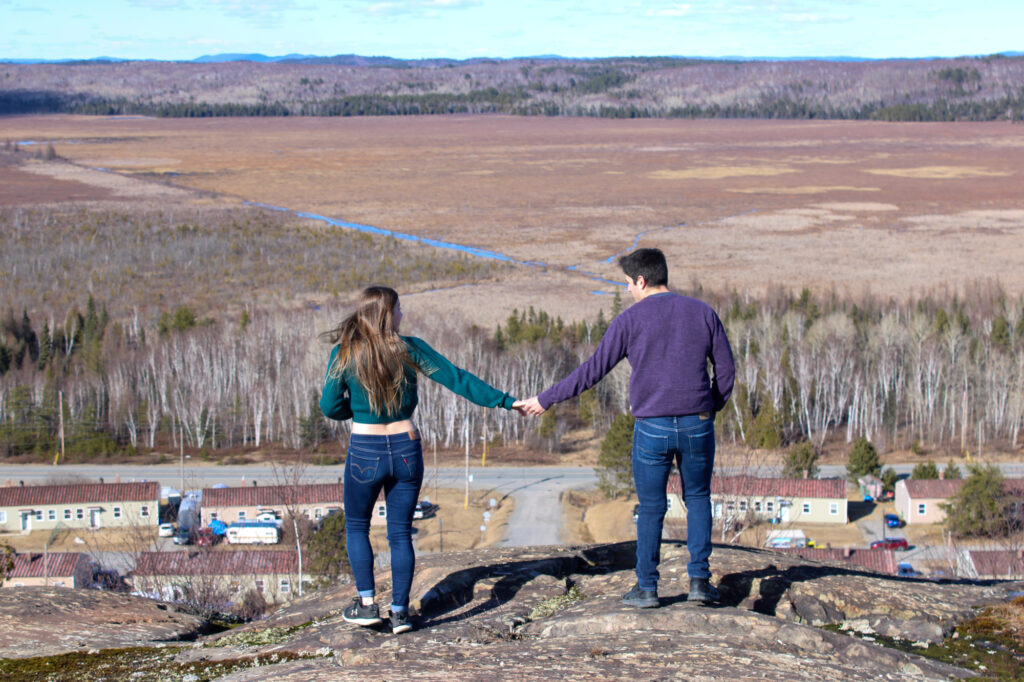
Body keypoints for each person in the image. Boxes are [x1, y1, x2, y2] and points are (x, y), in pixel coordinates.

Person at [517, 248, 734, 608]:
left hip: (652, 427)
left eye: (628, 285)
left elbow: (592, 371)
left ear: (642, 281)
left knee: (651, 508)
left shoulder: (629, 321)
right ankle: (699, 582)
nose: (629, 291)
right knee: (697, 499)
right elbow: (725, 371)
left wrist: (546, 398)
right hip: (698, 423)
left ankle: (647, 589)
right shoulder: (703, 313)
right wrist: (710, 407)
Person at [320, 286, 521, 633]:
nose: (402, 315)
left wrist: (353, 409)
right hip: (406, 448)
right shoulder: (410, 349)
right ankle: (400, 612)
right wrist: (505, 401)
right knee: (400, 533)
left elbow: (329, 406)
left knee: (357, 527)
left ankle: (367, 605)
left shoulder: (345, 353)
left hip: (365, 448)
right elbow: (457, 379)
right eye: (399, 309)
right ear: (386, 314)